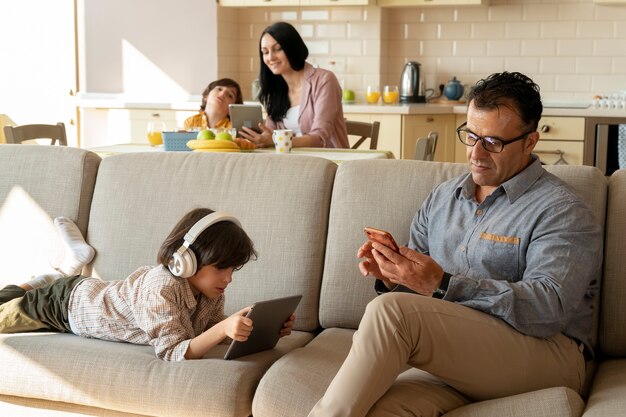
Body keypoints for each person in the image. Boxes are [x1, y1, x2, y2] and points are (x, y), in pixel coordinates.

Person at [308, 72, 603, 416]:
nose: (476, 153)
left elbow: (548, 309)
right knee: (378, 409)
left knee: (390, 312)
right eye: (471, 136)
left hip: (548, 354)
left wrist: (445, 285)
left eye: (492, 142)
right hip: (464, 354)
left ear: (530, 141)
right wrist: (394, 276)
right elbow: (416, 294)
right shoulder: (444, 197)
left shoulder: (562, 210)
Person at [0, 208, 295, 362]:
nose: (228, 278)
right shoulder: (161, 288)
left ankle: (58, 274)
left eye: (233, 269)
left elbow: (207, 330)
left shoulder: (210, 291)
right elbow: (172, 352)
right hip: (65, 305)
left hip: (86, 290)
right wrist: (222, 328)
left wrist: (252, 327)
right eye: (221, 268)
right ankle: (46, 279)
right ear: (186, 259)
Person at [238, 22, 349, 149]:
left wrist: (275, 140)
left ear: (293, 48)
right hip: (292, 162)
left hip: (328, 162)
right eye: (265, 52)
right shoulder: (275, 91)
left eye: (278, 49)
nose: (270, 57)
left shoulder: (324, 80)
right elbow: (270, 134)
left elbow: (320, 137)